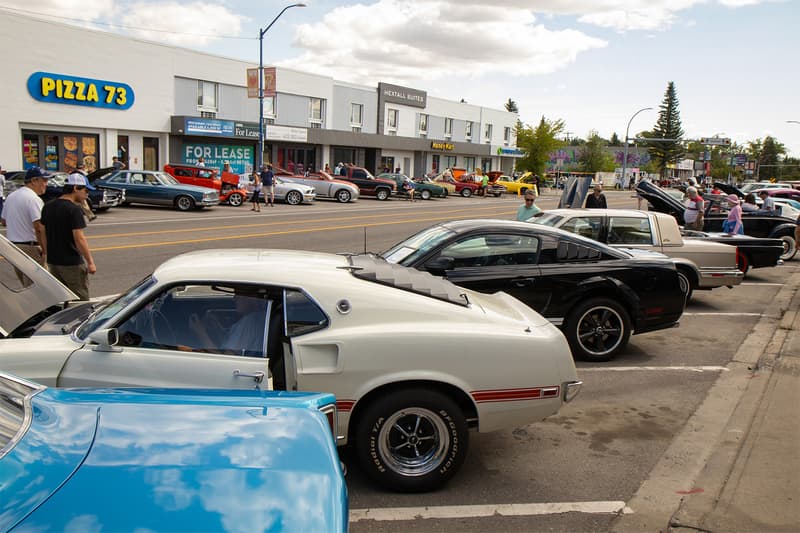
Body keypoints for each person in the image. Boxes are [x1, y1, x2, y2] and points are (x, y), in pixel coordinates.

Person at [40, 173, 97, 300]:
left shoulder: (48, 206)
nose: (87, 194)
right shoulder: (74, 210)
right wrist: (90, 262)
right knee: (80, 299)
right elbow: (79, 238)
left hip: (54, 262)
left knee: (61, 298)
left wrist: (46, 252)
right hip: (72, 263)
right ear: (75, 188)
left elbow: (42, 231)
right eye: (86, 190)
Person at [188, 287, 269, 356]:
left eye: (238, 294)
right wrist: (218, 330)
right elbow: (232, 344)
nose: (234, 298)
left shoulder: (250, 321)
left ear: (253, 298)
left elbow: (225, 359)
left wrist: (201, 333)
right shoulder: (261, 317)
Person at [1, 166, 49, 266]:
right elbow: (39, 228)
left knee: (25, 280)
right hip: (30, 247)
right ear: (34, 180)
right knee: (38, 281)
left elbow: (4, 221)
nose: (46, 184)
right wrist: (45, 250)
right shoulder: (33, 199)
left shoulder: (11, 196)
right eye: (44, 180)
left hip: (13, 246)